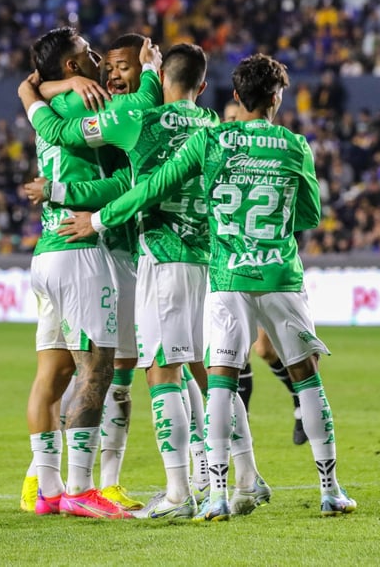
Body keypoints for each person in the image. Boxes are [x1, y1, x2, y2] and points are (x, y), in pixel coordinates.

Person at [58, 54, 358, 520]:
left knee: (216, 379)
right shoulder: (295, 145)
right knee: (306, 378)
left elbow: (150, 186)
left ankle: (210, 493)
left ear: (236, 97)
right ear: (277, 98)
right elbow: (310, 216)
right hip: (278, 272)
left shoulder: (210, 139)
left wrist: (98, 219)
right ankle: (329, 489)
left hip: (224, 272)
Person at [20, 43, 220, 520]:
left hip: (61, 249)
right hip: (103, 250)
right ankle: (94, 485)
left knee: (65, 371)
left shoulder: (74, 100)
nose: (107, 72)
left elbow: (47, 120)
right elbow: (131, 183)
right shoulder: (125, 110)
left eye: (119, 65)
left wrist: (35, 88)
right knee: (118, 369)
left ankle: (46, 481)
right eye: (99, 62)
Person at [20, 32, 160, 514]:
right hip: (81, 248)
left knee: (51, 372)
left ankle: (46, 488)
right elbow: (124, 174)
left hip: (46, 250)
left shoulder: (49, 104)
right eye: (91, 54)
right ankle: (80, 491)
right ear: (75, 61)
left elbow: (37, 98)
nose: (101, 61)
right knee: (97, 366)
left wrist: (38, 91)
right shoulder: (90, 105)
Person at [223, 102, 307, 447]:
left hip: (267, 264)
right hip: (227, 266)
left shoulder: (268, 161)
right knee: (234, 352)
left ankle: (300, 399)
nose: (232, 125)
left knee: (265, 351)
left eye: (235, 118)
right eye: (226, 120)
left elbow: (302, 215)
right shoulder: (218, 158)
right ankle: (240, 432)